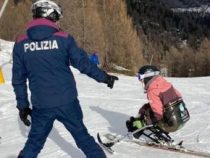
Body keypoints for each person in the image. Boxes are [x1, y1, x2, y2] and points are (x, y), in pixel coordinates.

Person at [12, 0, 118, 157]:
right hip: (67, 101)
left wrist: (23, 106)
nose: (57, 20)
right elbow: (83, 64)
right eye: (56, 17)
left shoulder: (21, 44)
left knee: (33, 144)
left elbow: (18, 80)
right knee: (83, 139)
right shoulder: (63, 38)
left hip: (42, 105)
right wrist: (104, 78)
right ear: (50, 14)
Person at [126, 65, 190, 138]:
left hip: (172, 125)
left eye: (140, 77)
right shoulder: (166, 84)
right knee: (147, 107)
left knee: (144, 111)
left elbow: (158, 113)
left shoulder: (152, 91)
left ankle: (136, 129)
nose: (140, 80)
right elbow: (179, 96)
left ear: (147, 76)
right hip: (181, 119)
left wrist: (147, 121)